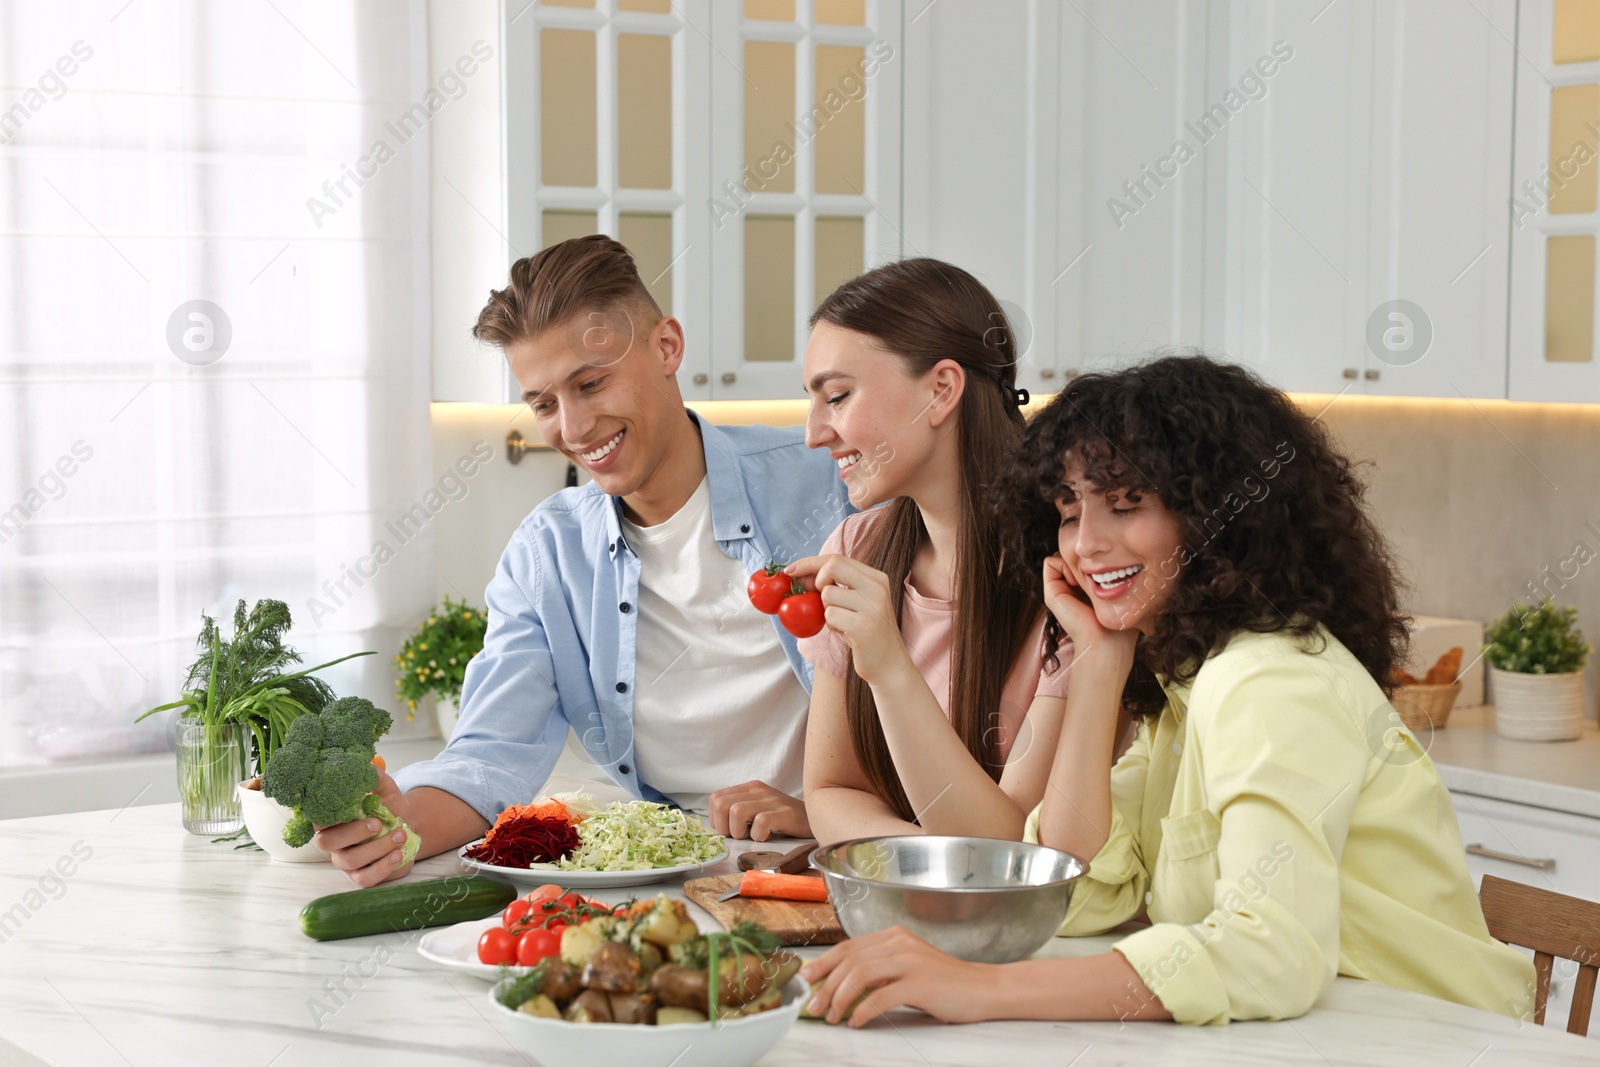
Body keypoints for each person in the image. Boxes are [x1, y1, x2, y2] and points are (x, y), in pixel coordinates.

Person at [800, 354, 1536, 1027]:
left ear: (1220, 515)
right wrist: (1098, 662)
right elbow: (1080, 890)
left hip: (1435, 1040)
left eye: (1126, 503)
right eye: (1068, 511)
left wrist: (976, 990)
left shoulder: (1269, 680)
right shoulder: (1181, 688)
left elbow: (1267, 955)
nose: (1086, 544)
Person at [314, 235, 853, 886]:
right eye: (543, 403)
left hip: (833, 862)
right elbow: (491, 752)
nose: (572, 427)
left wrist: (815, 812)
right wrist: (399, 824)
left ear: (667, 348)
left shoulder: (826, 484)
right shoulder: (549, 555)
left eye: (591, 383)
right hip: (663, 873)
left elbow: (938, 698)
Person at [788, 258, 1082, 845]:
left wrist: (890, 667)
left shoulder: (1075, 570)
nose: (814, 433)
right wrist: (922, 870)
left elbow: (1010, 850)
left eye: (839, 396)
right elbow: (832, 791)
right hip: (912, 906)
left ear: (942, 390)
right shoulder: (858, 547)